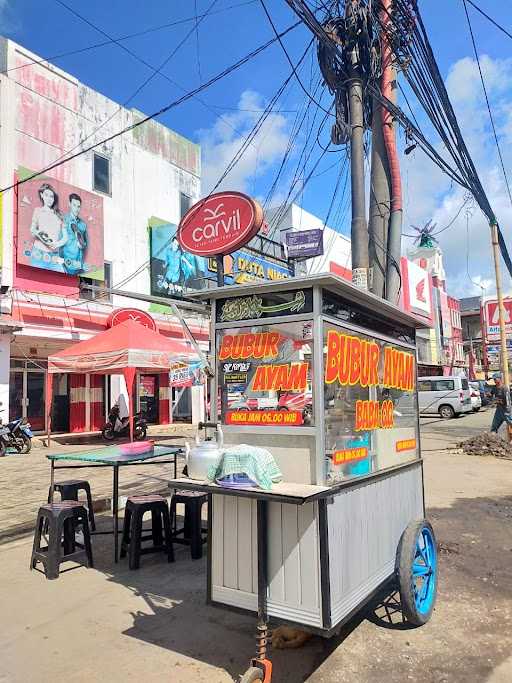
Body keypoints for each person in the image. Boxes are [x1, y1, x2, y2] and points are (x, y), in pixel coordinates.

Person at [29, 183, 65, 272]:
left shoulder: (59, 215)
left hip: (54, 256)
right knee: (34, 281)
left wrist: (57, 244)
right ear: (42, 195)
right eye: (46, 195)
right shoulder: (38, 211)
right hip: (38, 253)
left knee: (60, 281)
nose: (49, 199)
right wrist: (40, 236)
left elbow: (65, 237)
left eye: (51, 196)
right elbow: (32, 229)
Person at [60, 193, 88, 275]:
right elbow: (59, 241)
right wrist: (61, 263)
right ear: (69, 204)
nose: (76, 208)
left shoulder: (83, 224)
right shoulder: (64, 219)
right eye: (74, 205)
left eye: (78, 206)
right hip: (65, 264)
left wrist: (82, 244)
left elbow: (86, 244)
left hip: (78, 266)